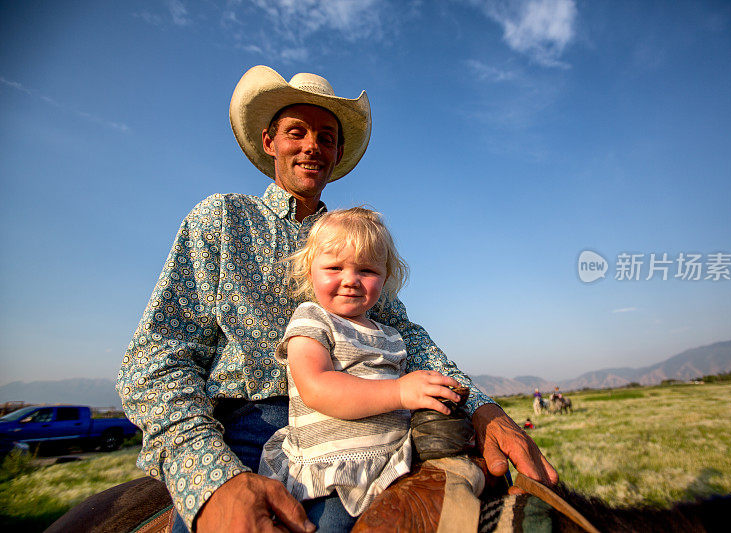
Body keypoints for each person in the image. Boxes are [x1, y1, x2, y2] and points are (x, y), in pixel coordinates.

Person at [117, 65, 558, 533]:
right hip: (248, 426)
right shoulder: (221, 220)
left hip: (379, 416)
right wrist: (210, 479)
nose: (312, 145)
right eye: (296, 132)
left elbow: (405, 335)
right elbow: (153, 361)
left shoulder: (354, 239)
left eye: (326, 137)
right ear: (270, 142)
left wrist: (483, 407)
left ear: (337, 152)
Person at [258, 207, 462, 519]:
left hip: (396, 464)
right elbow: (315, 386)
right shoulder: (313, 320)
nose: (351, 280)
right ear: (309, 271)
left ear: (385, 277)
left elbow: (408, 391)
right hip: (335, 476)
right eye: (334, 268)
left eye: (366, 271)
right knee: (331, 525)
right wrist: (399, 393)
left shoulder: (391, 336)